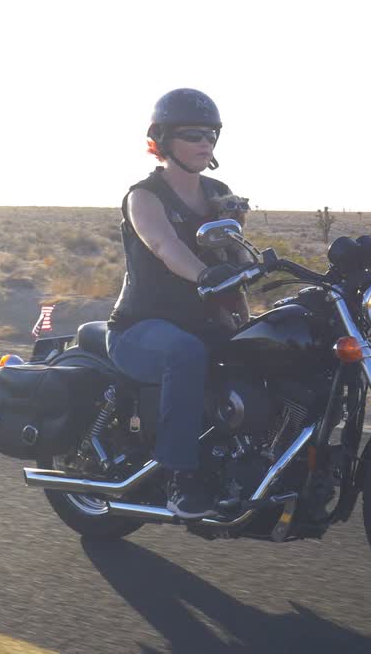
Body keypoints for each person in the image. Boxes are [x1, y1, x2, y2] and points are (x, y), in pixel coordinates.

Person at [106, 88, 248, 519]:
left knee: (267, 349)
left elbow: (235, 254)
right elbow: (164, 246)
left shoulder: (220, 192)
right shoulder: (144, 196)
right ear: (164, 140)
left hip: (202, 322)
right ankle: (178, 476)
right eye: (192, 134)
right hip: (140, 328)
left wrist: (249, 284)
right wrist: (205, 275)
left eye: (210, 134)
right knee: (185, 353)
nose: (205, 142)